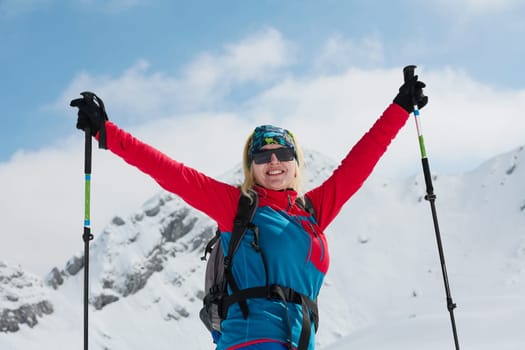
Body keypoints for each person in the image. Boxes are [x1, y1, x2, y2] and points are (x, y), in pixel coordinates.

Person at [71, 72, 427, 350]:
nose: (273, 162)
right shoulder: (235, 206)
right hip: (249, 342)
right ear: (251, 166)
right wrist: (107, 133)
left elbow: (359, 163)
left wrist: (399, 108)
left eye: (283, 154)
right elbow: (172, 173)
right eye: (262, 155)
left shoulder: (312, 212)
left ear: (295, 163)